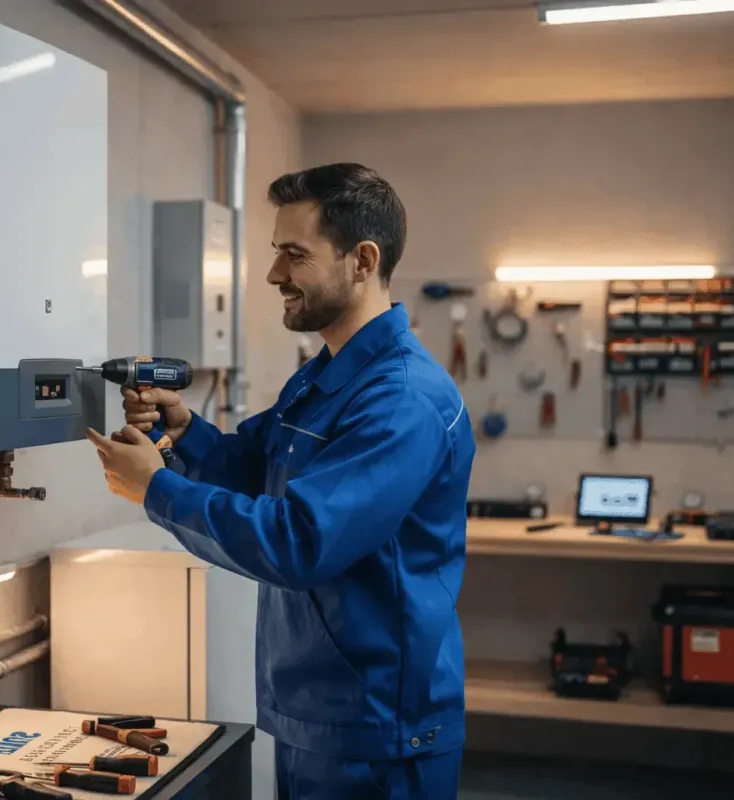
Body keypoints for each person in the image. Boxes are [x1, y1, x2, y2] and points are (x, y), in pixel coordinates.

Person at [87, 163, 474, 800]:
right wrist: (186, 430)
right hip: (318, 707)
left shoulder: (402, 399)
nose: (274, 275)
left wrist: (156, 490)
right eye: (276, 253)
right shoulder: (327, 377)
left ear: (362, 259)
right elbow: (259, 466)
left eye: (294, 255)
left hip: (380, 728)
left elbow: (302, 541)